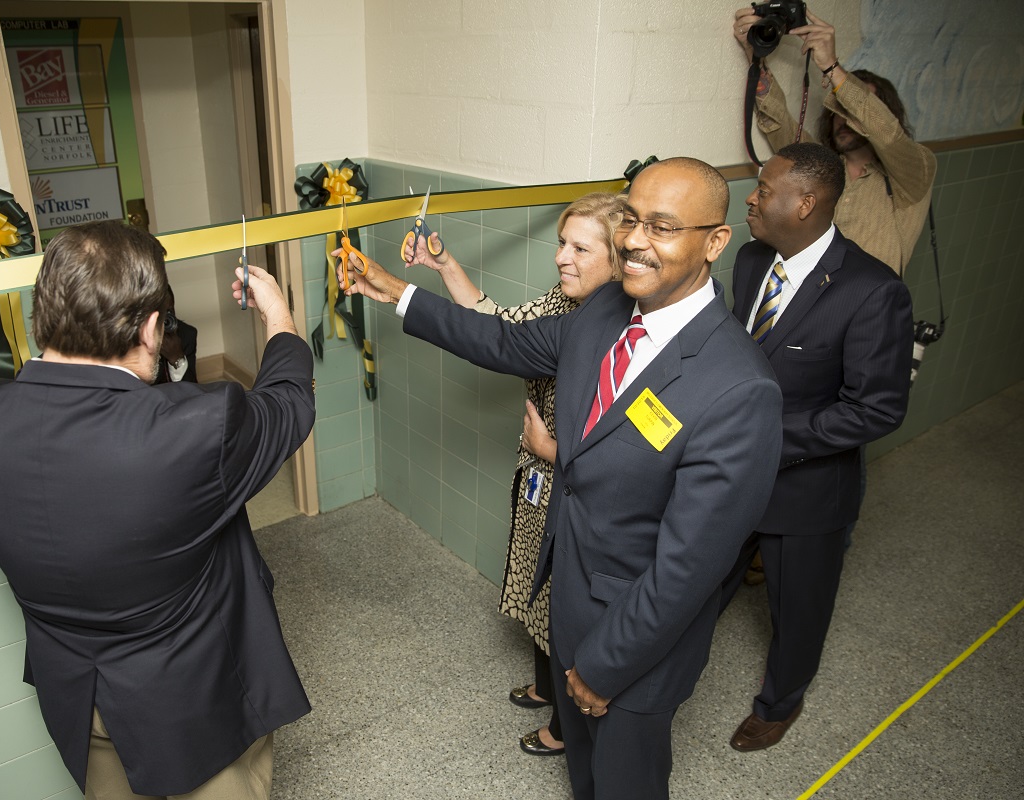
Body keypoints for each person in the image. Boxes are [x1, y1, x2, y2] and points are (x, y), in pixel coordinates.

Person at [340, 158, 783, 800]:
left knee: (624, 781)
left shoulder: (740, 388)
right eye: (631, 219)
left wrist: (603, 668)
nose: (634, 239)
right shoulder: (606, 313)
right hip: (571, 599)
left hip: (637, 641)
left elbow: (690, 567)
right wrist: (400, 294)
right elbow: (501, 341)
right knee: (583, 774)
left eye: (662, 227)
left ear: (715, 241)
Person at [0, 221, 314, 800]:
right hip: (192, 698)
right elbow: (287, 402)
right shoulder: (195, 428)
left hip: (75, 692)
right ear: (149, 327)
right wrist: (278, 317)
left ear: (45, 316)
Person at [407, 192, 628, 757]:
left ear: (620, 256)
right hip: (537, 471)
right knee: (538, 584)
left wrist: (554, 450)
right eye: (561, 243)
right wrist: (445, 268)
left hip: (569, 481)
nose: (561, 257)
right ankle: (547, 683)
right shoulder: (565, 299)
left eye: (580, 247)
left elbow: (626, 446)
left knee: (564, 599)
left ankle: (562, 725)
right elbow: (500, 328)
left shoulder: (621, 328)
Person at [720, 143, 914, 752]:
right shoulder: (752, 261)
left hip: (806, 486)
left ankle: (780, 703)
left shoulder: (871, 290)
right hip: (728, 471)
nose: (750, 198)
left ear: (804, 203)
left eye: (763, 188)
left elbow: (876, 408)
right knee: (699, 579)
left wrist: (773, 439)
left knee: (797, 609)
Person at [732, 6, 937, 276]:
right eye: (840, 110)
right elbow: (779, 122)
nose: (844, 119)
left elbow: (886, 132)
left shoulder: (914, 172)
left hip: (869, 306)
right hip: (811, 299)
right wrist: (755, 54)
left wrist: (832, 67)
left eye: (853, 110)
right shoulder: (824, 168)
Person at [155, 286, 198, 383]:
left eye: (169, 311)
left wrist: (177, 358)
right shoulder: (132, 340)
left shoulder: (186, 334)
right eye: (160, 314)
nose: (165, 319)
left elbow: (193, 390)